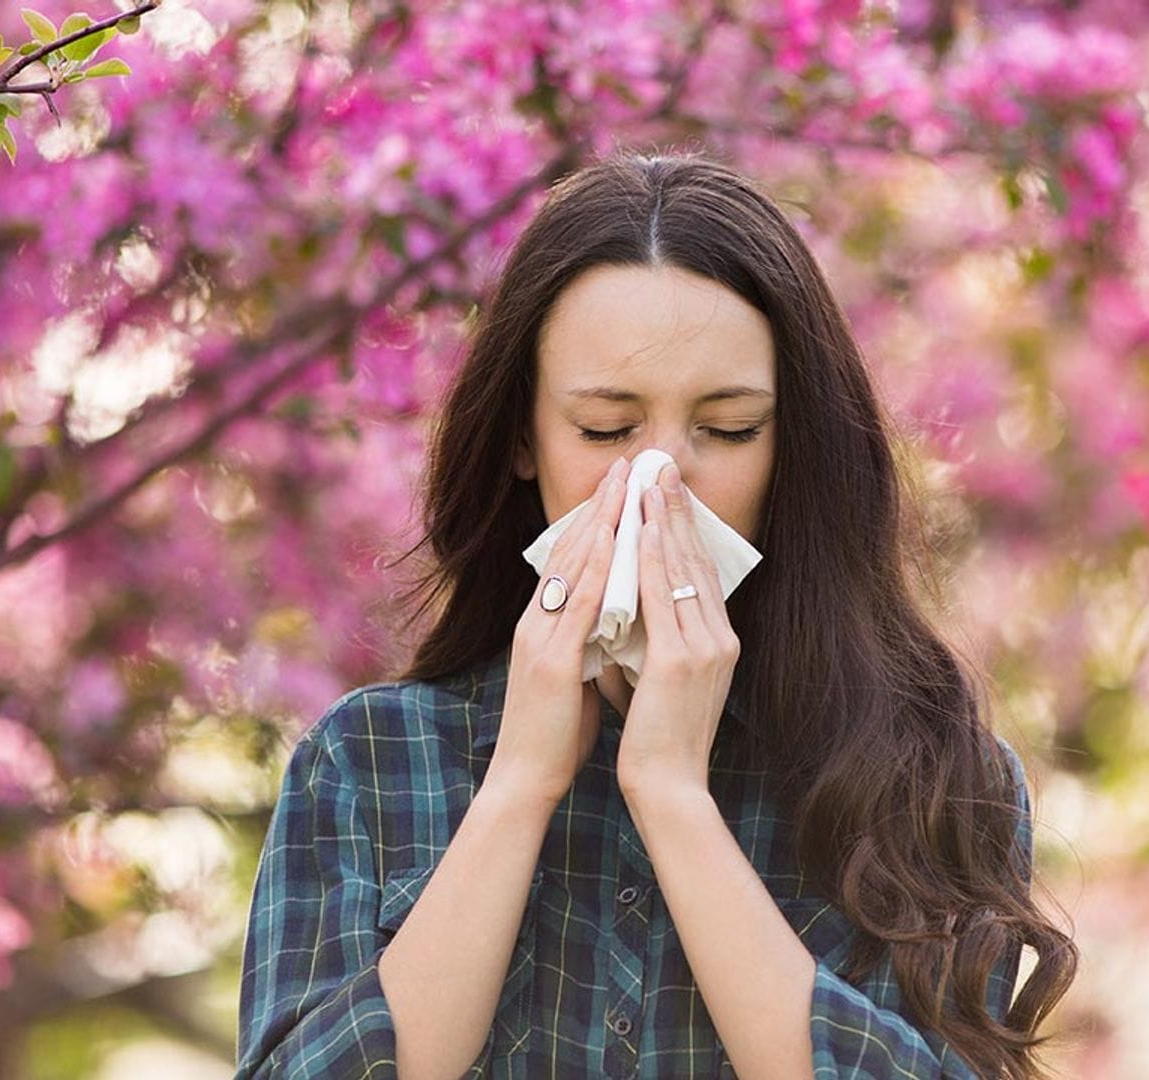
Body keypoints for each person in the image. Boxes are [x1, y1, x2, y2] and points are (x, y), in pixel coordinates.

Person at [234, 151, 1076, 1079]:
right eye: (605, 429)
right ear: (523, 436)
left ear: (792, 446)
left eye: (727, 430)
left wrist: (675, 798)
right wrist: (517, 785)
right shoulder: (368, 766)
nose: (659, 480)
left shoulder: (932, 781)